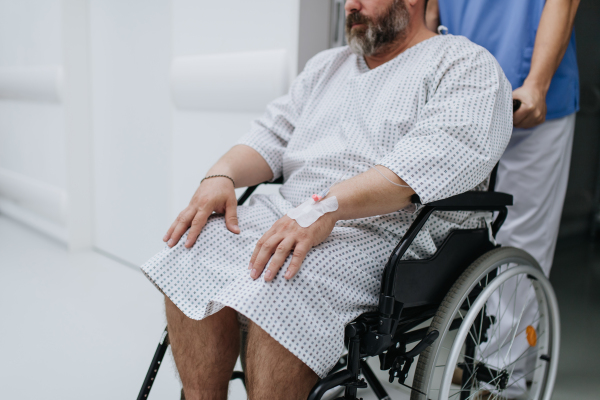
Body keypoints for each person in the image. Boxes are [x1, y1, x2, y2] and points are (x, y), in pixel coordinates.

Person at [140, 0, 512, 398]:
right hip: (295, 212)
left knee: (281, 278)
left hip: (389, 230)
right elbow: (269, 135)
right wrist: (220, 174)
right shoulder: (327, 67)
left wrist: (327, 207)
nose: (351, 4)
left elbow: (423, 167)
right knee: (194, 245)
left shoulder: (464, 65)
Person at [425, 0, 580, 397]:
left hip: (527, 97)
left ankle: (500, 380)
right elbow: (426, 10)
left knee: (520, 240)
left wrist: (539, 84)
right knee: (448, 230)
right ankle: (478, 356)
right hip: (461, 97)